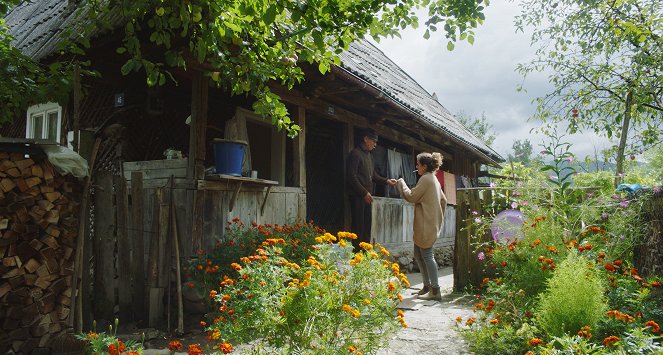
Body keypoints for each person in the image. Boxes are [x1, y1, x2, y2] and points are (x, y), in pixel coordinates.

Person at [396, 152, 447, 301]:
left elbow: (411, 196)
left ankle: (435, 290)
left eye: (418, 164)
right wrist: (437, 217)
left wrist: (401, 182)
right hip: (429, 223)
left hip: (426, 223)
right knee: (419, 255)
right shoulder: (434, 179)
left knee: (427, 256)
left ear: (424, 166)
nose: (416, 166)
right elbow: (443, 201)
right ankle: (427, 287)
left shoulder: (426, 179)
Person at [347, 129, 397, 251]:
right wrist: (364, 192)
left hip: (367, 197)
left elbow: (373, 176)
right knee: (358, 227)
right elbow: (351, 176)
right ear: (365, 139)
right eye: (373, 141)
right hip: (358, 196)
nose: (375, 144)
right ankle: (356, 255)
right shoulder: (356, 153)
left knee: (367, 226)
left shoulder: (370, 156)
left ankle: (365, 254)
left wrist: (387, 181)